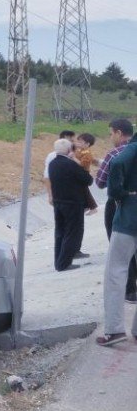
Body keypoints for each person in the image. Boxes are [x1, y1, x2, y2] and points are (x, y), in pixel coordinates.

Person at [96, 126, 137, 346]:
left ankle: (114, 329)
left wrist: (117, 193)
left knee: (116, 271)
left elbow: (117, 163)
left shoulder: (133, 148)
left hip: (130, 217)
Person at [48, 138, 93, 272]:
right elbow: (88, 180)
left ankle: (58, 262)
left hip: (58, 202)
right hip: (73, 203)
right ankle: (64, 263)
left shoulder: (52, 164)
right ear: (69, 150)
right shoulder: (70, 164)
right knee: (73, 232)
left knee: (60, 232)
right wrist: (76, 161)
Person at [44, 130, 75, 205]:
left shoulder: (76, 155)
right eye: (70, 141)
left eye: (72, 141)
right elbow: (47, 177)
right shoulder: (52, 156)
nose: (72, 143)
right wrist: (50, 195)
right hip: (60, 195)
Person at [73, 132, 98, 214]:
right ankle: (86, 206)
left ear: (87, 144)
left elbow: (82, 164)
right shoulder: (81, 151)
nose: (78, 144)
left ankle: (93, 207)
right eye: (78, 141)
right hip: (78, 173)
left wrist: (73, 158)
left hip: (83, 174)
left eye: (80, 142)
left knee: (85, 191)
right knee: (81, 191)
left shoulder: (87, 154)